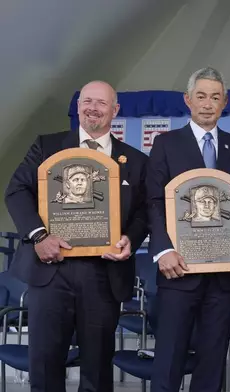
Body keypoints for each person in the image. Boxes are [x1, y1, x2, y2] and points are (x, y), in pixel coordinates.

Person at [4, 80, 149, 392]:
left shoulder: (136, 161)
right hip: (50, 270)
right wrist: (39, 236)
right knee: (44, 364)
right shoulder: (46, 146)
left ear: (115, 110)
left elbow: (143, 212)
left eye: (100, 102)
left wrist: (130, 240)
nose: (92, 108)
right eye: (86, 101)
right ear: (78, 106)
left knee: (97, 370)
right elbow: (16, 191)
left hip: (104, 274)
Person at [147, 67, 230, 392]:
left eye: (215, 97)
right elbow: (152, 201)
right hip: (177, 271)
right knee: (169, 360)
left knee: (212, 362)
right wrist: (163, 250)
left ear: (225, 102)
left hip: (223, 277)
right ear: (188, 100)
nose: (208, 104)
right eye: (201, 96)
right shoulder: (166, 143)